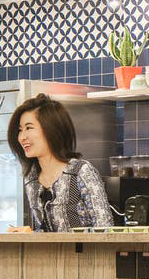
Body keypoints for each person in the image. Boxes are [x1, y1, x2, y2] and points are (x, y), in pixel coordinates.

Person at [9, 94, 112, 230]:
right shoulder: (31, 178)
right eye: (20, 130)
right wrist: (30, 235)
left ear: (51, 130)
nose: (22, 137)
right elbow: (45, 232)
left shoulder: (80, 172)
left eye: (29, 128)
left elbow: (105, 230)